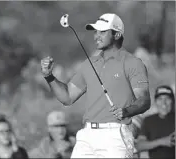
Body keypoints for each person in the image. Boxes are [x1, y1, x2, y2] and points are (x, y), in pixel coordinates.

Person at [41, 13, 151, 158]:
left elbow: (144, 100)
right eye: (95, 32)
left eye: (102, 31)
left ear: (117, 34)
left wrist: (127, 111)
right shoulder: (89, 64)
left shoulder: (132, 63)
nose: (96, 36)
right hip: (87, 135)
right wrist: (49, 76)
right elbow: (67, 97)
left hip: (115, 135)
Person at [135, 85, 175, 158]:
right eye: (160, 99)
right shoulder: (148, 120)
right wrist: (162, 141)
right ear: (155, 102)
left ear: (172, 101)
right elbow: (139, 145)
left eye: (167, 99)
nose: (164, 103)